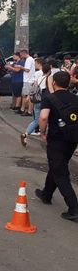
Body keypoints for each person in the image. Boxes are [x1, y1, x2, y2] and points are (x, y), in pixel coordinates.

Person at [34, 71, 78, 221]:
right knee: (58, 164)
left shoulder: (50, 98)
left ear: (54, 83)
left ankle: (74, 208)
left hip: (56, 139)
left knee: (60, 172)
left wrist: (42, 132)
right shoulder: (75, 98)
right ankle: (46, 194)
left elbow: (44, 116)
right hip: (72, 139)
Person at [20, 58, 47, 146]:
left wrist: (29, 95)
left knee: (36, 120)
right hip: (46, 99)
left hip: (37, 99)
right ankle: (44, 134)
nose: (34, 65)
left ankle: (26, 134)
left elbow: (34, 86)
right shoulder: (47, 75)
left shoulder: (37, 74)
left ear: (39, 63)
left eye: (35, 63)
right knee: (47, 118)